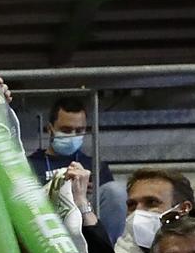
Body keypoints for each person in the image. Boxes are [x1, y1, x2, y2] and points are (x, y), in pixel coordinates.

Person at [28, 94, 123, 242]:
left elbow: (112, 205)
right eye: (66, 130)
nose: (73, 135)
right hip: (48, 227)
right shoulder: (30, 165)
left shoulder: (95, 166)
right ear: (50, 128)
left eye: (79, 131)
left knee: (115, 191)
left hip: (88, 225)